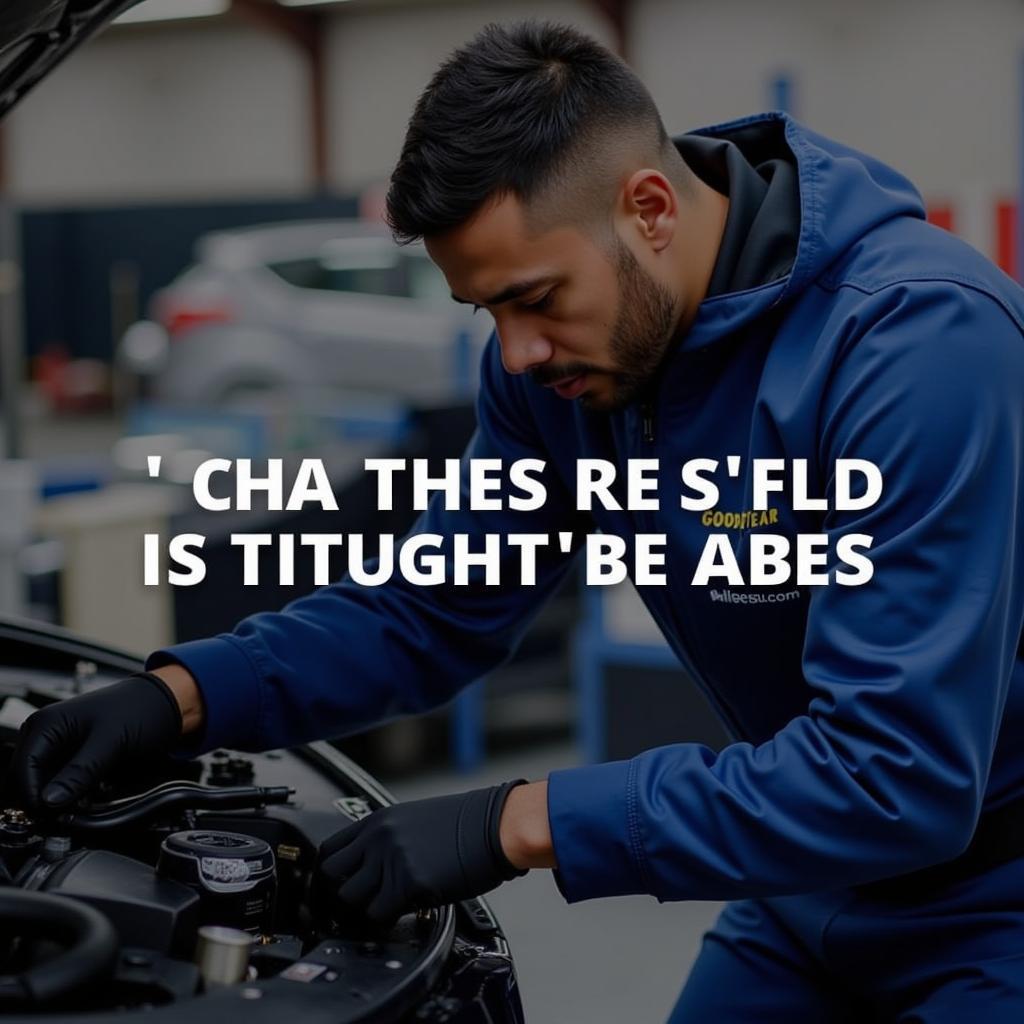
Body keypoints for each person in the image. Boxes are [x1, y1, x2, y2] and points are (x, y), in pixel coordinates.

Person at [13, 20, 1024, 1022]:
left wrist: (521, 820)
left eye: (536, 297)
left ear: (651, 208)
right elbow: (428, 608)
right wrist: (181, 696)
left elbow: (895, 771)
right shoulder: (562, 372)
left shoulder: (915, 345)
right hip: (807, 885)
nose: (518, 352)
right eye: (485, 310)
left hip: (995, 895)